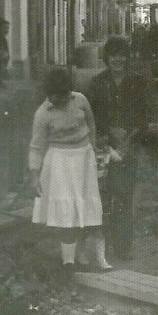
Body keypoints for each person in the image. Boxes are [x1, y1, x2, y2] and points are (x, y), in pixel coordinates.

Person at [28, 66, 111, 279]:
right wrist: (35, 175)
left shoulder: (80, 100)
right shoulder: (42, 113)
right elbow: (36, 146)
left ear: (68, 91)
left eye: (62, 94)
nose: (59, 99)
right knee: (66, 213)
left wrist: (92, 149)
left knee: (89, 208)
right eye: (54, 95)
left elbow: (91, 123)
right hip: (59, 162)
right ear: (48, 94)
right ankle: (68, 262)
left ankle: (99, 260)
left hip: (83, 157)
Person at [87, 36, 158, 260]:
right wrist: (106, 133)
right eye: (113, 55)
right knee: (102, 196)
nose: (118, 60)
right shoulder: (98, 83)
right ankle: (103, 248)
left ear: (127, 58)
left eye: (122, 55)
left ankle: (122, 248)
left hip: (129, 145)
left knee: (122, 195)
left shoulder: (138, 82)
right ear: (106, 58)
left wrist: (130, 132)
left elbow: (149, 112)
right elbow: (91, 115)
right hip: (103, 146)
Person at [0, 16, 10, 83]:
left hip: (2, 64)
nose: (7, 30)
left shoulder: (3, 40)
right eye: (4, 28)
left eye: (8, 28)